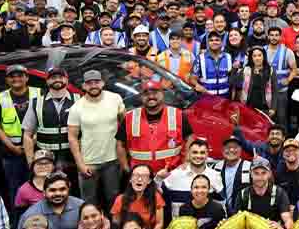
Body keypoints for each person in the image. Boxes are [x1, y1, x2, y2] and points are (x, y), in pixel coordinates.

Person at [68, 69, 125, 211]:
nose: (93, 85)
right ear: (84, 86)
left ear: (102, 83)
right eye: (89, 83)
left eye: (96, 82)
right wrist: (80, 164)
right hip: (89, 163)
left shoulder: (115, 99)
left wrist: (124, 156)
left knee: (113, 200)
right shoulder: (77, 107)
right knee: (89, 203)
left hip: (112, 161)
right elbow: (72, 137)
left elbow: (124, 126)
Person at [116, 79, 193, 180]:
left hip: (171, 174)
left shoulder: (177, 114)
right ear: (141, 97)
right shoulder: (130, 117)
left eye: (155, 93)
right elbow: (120, 144)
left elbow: (190, 138)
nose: (151, 96)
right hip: (140, 177)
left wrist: (186, 162)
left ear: (162, 94)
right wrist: (126, 168)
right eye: (146, 94)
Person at [0, 65, 43, 205]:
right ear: (7, 80)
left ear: (26, 78)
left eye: (20, 75)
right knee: (15, 190)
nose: (16, 79)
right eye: (12, 76)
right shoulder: (0, 97)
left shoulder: (39, 93)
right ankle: (17, 221)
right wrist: (10, 146)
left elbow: (44, 119)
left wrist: (31, 142)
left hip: (36, 150)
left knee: (40, 187)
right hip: (11, 153)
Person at [22, 66, 78, 181]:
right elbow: (27, 135)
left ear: (67, 80)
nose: (57, 79)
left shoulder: (79, 100)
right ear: (47, 81)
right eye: (53, 77)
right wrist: (31, 161)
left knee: (73, 189)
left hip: (72, 157)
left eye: (60, 77)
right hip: (46, 158)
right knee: (47, 189)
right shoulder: (36, 103)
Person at [18, 172, 86, 229]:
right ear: (44, 193)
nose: (58, 193)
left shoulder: (81, 207)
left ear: (68, 190)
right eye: (52, 190)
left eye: (62, 189)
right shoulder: (30, 215)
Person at [164, 137, 223, 218]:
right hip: (178, 228)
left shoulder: (215, 176)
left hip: (207, 228)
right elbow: (158, 196)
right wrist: (158, 179)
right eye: (195, 152)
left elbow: (221, 206)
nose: (198, 156)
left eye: (202, 153)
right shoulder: (175, 175)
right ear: (188, 154)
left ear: (207, 155)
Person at [110, 164, 166, 229]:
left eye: (144, 176)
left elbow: (159, 223)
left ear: (149, 181)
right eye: (136, 175)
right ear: (130, 179)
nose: (139, 179)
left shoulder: (156, 197)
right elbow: (116, 225)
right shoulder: (120, 199)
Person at [208, 136, 252, 207]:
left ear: (241, 150)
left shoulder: (250, 167)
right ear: (222, 150)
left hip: (243, 212)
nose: (231, 150)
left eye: (235, 147)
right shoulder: (215, 168)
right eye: (228, 147)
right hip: (220, 212)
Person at [274, 138, 299, 204]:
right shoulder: (279, 171)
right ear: (283, 155)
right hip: (285, 208)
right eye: (287, 150)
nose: (291, 152)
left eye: (294, 150)